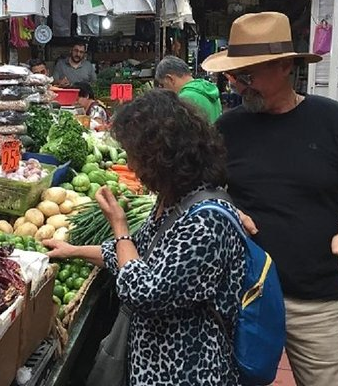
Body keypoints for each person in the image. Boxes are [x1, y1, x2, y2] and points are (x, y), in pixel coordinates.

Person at [203, 12, 338, 386]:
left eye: (248, 76)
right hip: (241, 295)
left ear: (285, 66)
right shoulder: (226, 129)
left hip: (314, 299)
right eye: (235, 76)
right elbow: (205, 195)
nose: (238, 86)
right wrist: (228, 208)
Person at [44, 89, 246, 385]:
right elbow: (133, 255)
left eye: (135, 156)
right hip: (154, 363)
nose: (132, 166)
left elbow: (143, 292)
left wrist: (119, 225)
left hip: (186, 370)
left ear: (160, 157)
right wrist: (72, 250)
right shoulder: (174, 199)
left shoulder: (206, 220)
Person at [155, 55, 223, 122]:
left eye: (163, 85)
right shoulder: (208, 89)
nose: (164, 89)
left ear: (170, 79)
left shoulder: (184, 99)